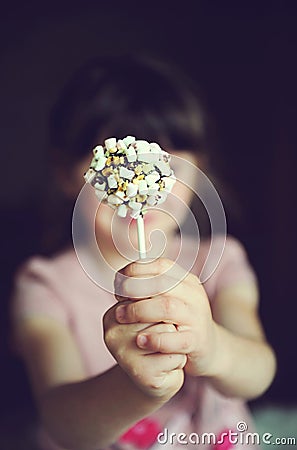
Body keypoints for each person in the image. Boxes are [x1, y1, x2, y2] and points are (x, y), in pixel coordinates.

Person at [11, 55, 276, 450]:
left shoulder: (220, 260)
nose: (143, 192)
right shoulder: (45, 286)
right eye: (117, 170)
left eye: (164, 168)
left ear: (199, 169)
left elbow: (260, 370)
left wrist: (212, 347)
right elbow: (63, 423)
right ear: (69, 175)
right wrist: (137, 389)